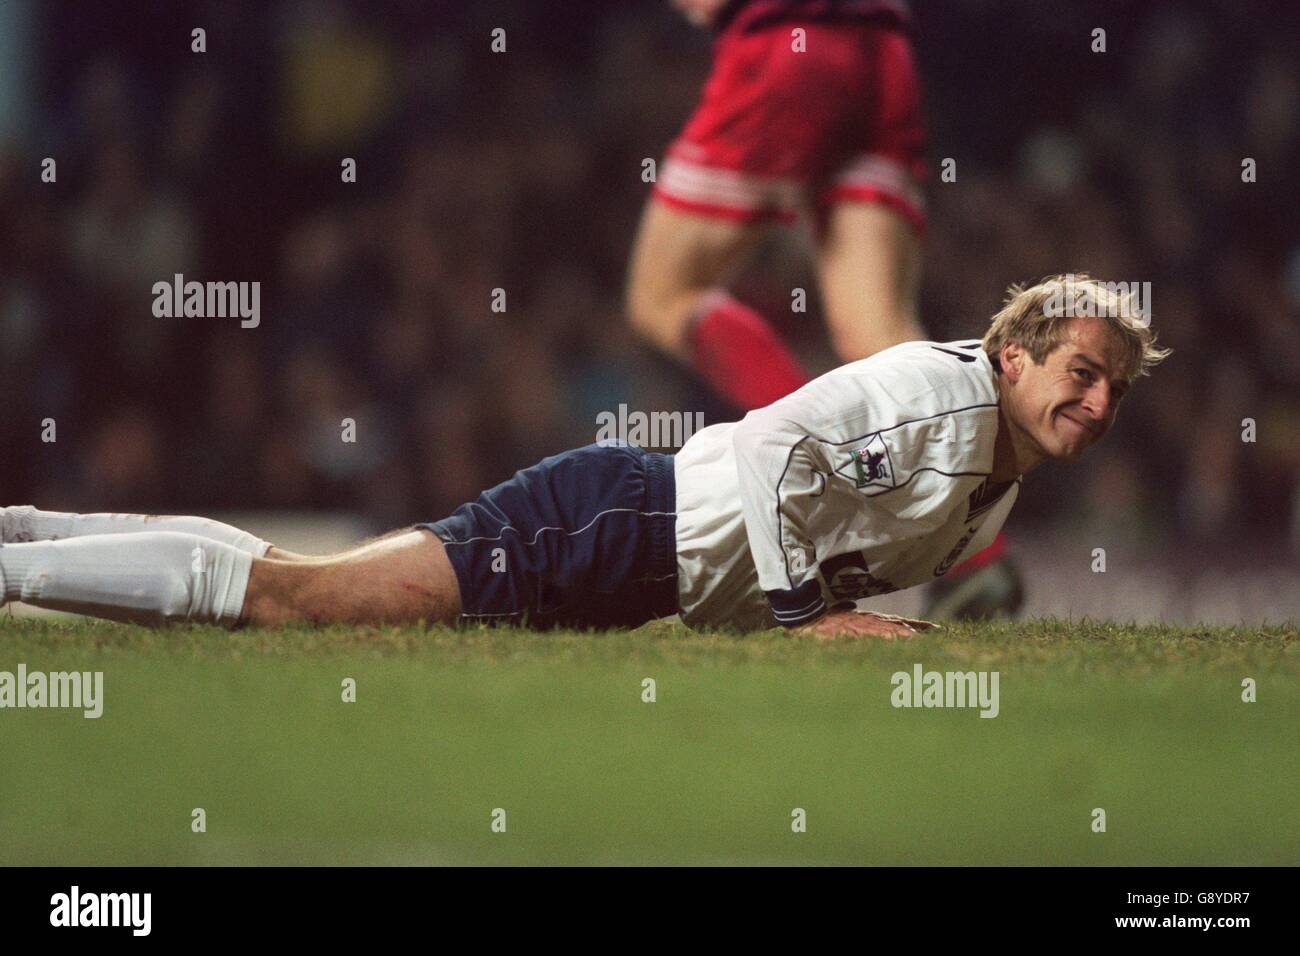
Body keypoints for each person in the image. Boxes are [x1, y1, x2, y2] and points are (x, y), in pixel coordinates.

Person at [0, 277, 1168, 639]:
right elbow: (764, 444)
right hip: (610, 525)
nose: (1098, 397)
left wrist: (799, 623)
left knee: (295, 578)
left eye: (1115, 384)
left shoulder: (987, 482)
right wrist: (803, 613)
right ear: (1014, 356)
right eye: (1080, 369)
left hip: (627, 557)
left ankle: (26, 534)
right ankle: (11, 568)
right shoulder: (935, 397)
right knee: (298, 605)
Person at [625, 0, 1021, 616]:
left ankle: (809, 470)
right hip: (883, 57)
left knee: (662, 294)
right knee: (878, 333)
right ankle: (973, 558)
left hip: (785, 51)